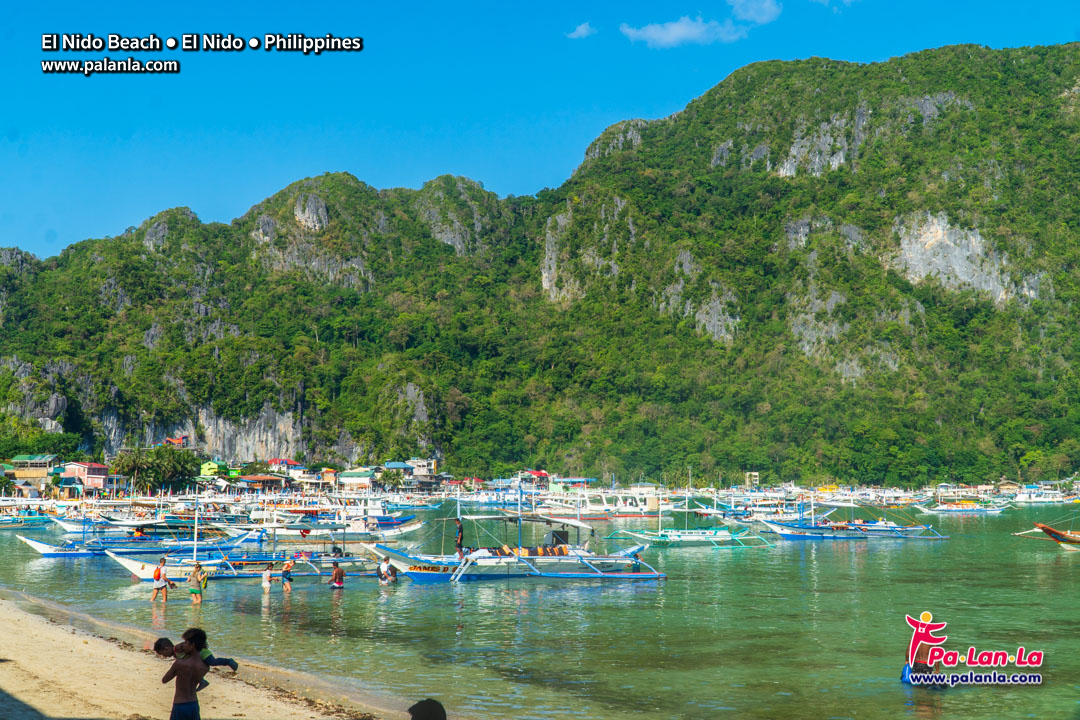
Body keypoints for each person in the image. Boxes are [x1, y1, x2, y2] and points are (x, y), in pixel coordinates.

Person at [161, 638, 208, 720]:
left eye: (185, 643)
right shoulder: (203, 665)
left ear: (192, 645)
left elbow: (164, 680)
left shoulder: (179, 663)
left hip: (180, 704)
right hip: (194, 704)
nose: (183, 645)